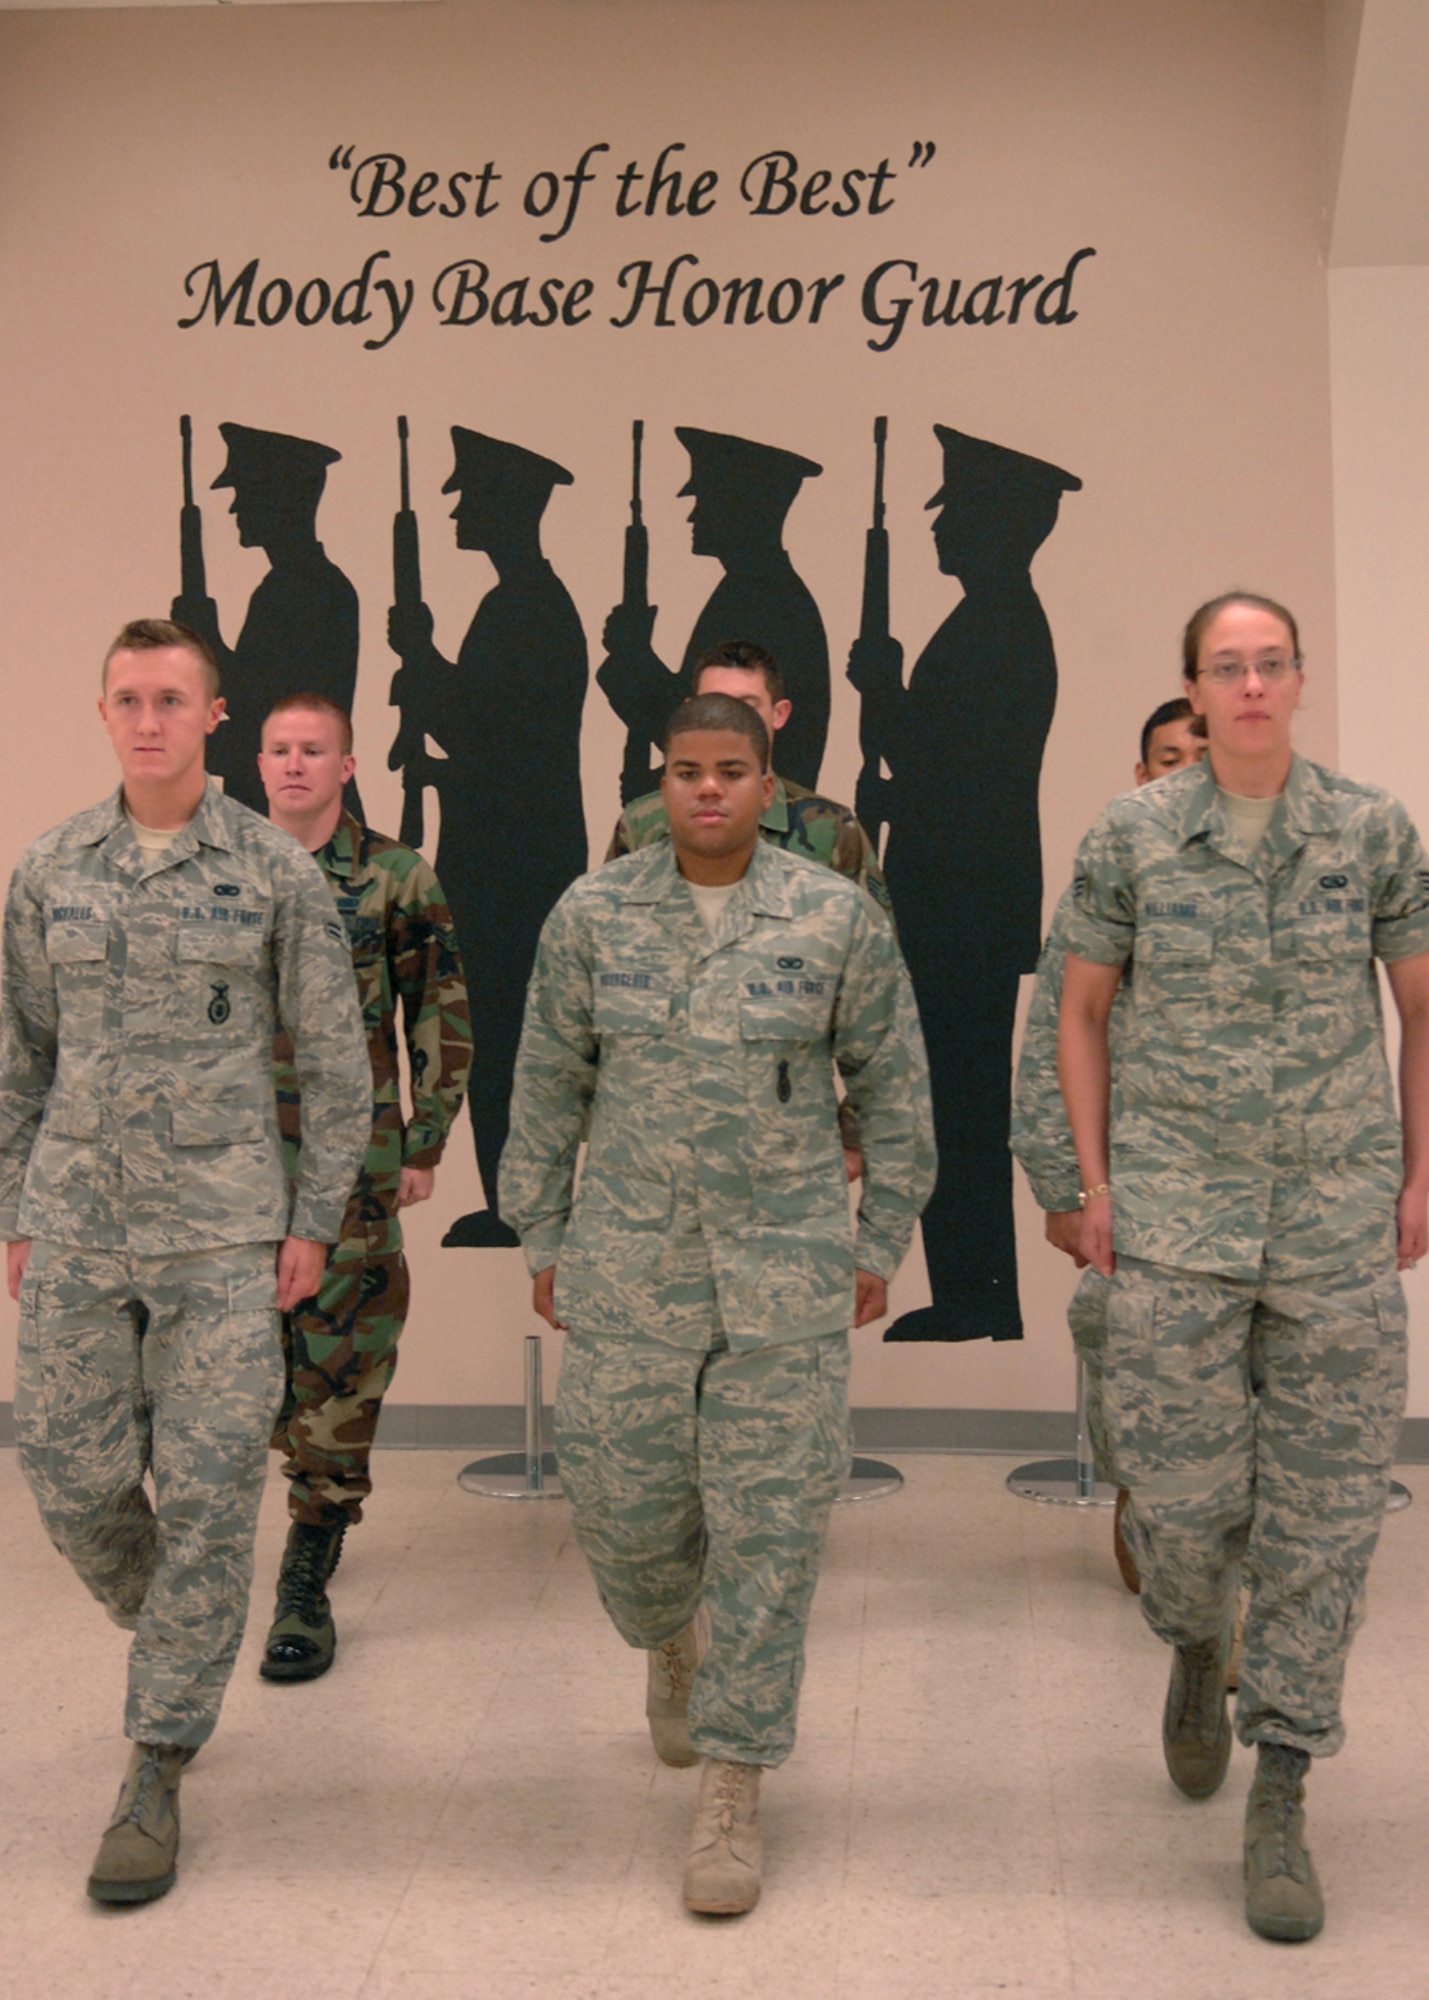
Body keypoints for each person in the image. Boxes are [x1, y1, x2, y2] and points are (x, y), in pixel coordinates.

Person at [500, 692, 935, 1916]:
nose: (706, 791)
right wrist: (542, 1228)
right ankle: (667, 1640)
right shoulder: (593, 913)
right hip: (628, 1273)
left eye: (730, 770)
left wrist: (879, 1236)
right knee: (627, 1526)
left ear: (767, 781)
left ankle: (734, 1783)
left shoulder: (831, 914)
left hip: (783, 1280)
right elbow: (544, 1080)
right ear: (660, 781)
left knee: (771, 1539)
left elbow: (895, 1084)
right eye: (686, 770)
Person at [1058, 592, 1429, 1943]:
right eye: (1229, 667)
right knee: (1175, 1494)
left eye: (1272, 664)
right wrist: (1093, 1190)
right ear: (1194, 692)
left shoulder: (1371, 830)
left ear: (1300, 681)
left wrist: (1418, 1173)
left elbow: (1420, 1005)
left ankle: (1281, 1786)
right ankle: (1194, 1635)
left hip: (1332, 1230)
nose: (1254, 685)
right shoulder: (1133, 836)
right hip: (1175, 1226)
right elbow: (1081, 1012)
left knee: (1325, 1523)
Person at [0, 620, 369, 1905]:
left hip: (222, 1236)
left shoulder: (272, 871)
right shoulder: (49, 869)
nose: (148, 719)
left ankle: (154, 1761)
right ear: (100, 713)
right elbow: (16, 1058)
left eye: (172, 699)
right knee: (65, 1471)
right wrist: (16, 1212)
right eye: (127, 699)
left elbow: (334, 1063)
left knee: (211, 1496)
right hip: (79, 1226)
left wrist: (312, 1220)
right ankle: (184, 1622)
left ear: (215, 717)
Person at [847, 423, 1081, 1342]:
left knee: (959, 1103)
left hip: (961, 906)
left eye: (954, 516)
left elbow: (967, 770)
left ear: (996, 525)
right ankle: (974, 1293)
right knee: (951, 1098)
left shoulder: (997, 626)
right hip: (962, 897)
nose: (938, 532)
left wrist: (886, 692)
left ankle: (978, 1296)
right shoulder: (993, 617)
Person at [254, 696, 472, 1681]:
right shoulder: (226, 869)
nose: (295, 765)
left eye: (315, 751)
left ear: (345, 765)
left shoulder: (391, 875)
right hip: (233, 1163)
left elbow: (440, 1007)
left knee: (342, 1349)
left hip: (351, 1159)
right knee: (236, 1351)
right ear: (258, 762)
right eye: (280, 749)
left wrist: (423, 1139)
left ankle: (310, 1549)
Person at [1010, 697, 1207, 1592]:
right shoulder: (1110, 878)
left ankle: (1213, 1555)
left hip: (1243, 1180)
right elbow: (1059, 1026)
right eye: (1165, 758)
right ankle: (1141, 1492)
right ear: (1140, 775)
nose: (1183, 771)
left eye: (1197, 754)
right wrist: (1061, 1183)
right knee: (1131, 1353)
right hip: (1127, 1177)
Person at [386, 426, 587, 1248]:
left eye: (471, 496)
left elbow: (493, 737)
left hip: (517, 859)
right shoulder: (517, 602)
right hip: (506, 849)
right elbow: (484, 731)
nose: (458, 508)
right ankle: (511, 1199)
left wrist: (421, 658)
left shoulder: (527, 607)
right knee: (493, 1029)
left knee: (504, 1031)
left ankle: (522, 1203)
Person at [598, 428, 829, 797]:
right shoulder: (751, 592)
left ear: (741, 506)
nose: (693, 516)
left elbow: (714, 731)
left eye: (705, 500)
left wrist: (634, 658)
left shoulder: (764, 601)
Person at [605, 638, 891, 921]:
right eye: (715, 704)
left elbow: (872, 950)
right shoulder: (642, 823)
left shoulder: (830, 829)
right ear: (689, 712)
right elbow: (602, 937)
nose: (729, 720)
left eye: (747, 707)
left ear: (779, 714)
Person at [173, 422, 361, 817]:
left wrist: (207, 642)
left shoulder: (312, 590)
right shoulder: (285, 587)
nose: (236, 507)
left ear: (280, 498)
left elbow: (273, 710)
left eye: (246, 493)